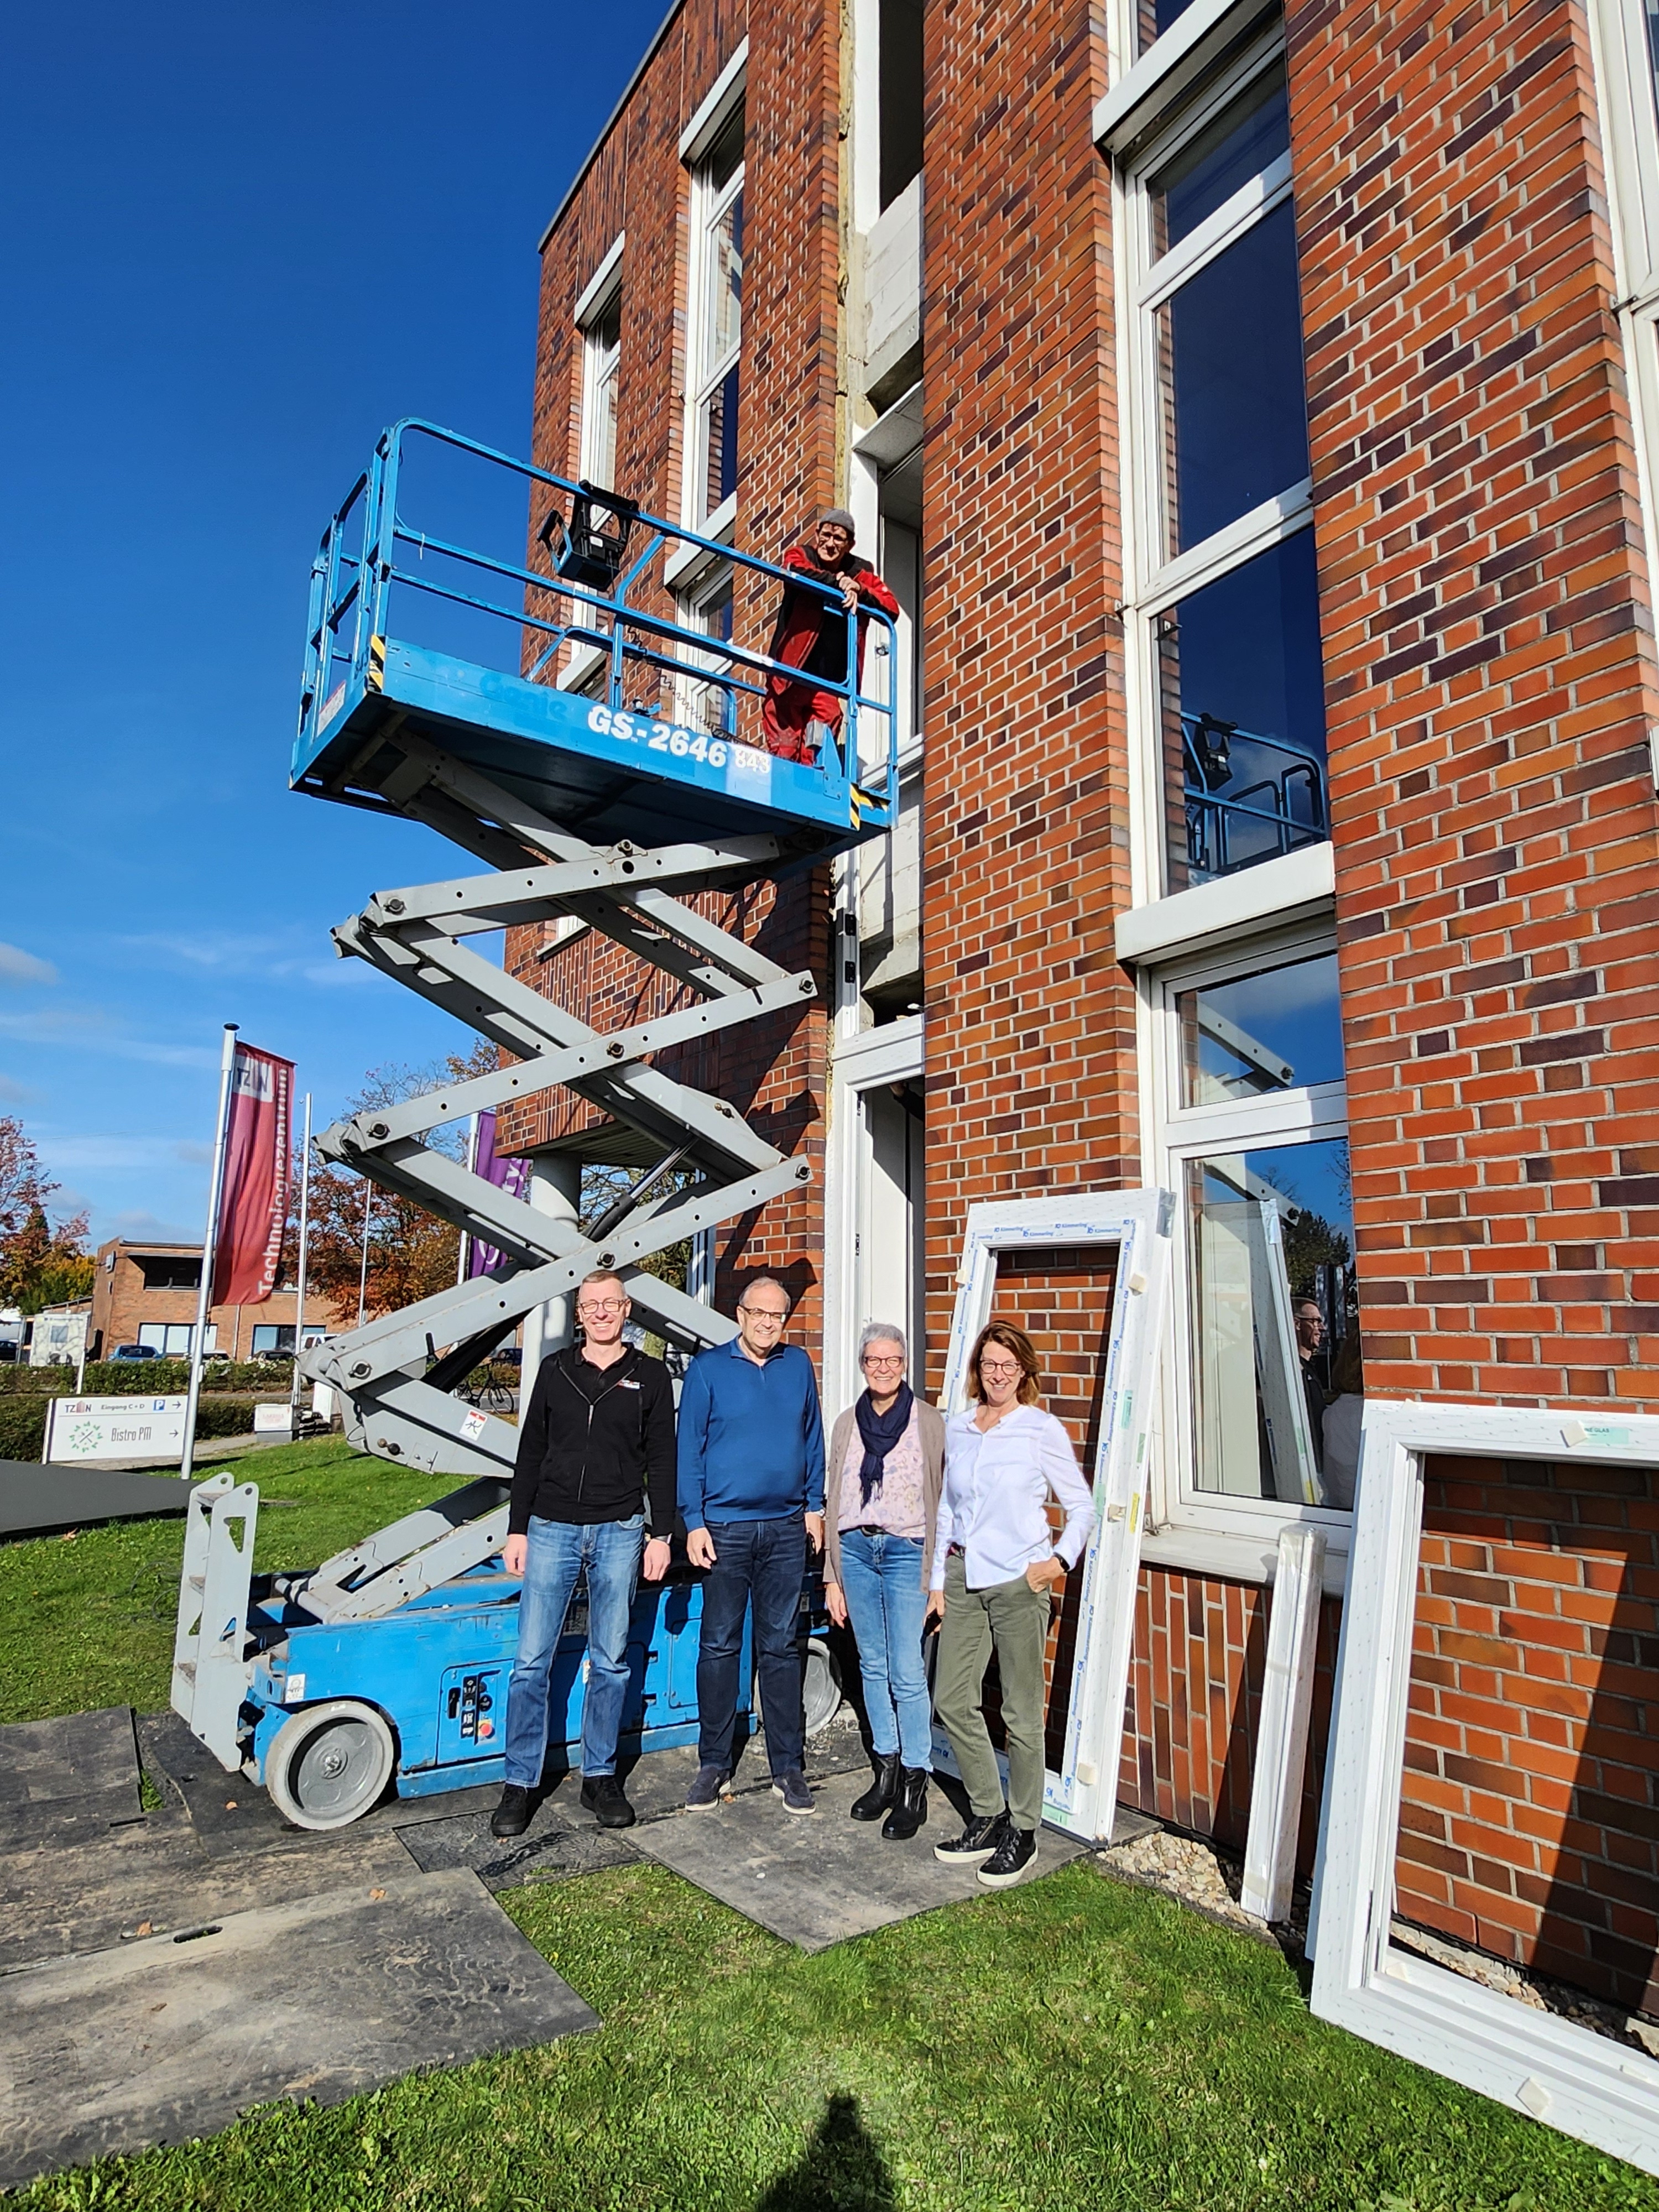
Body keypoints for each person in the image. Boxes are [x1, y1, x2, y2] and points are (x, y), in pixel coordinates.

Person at [491, 1271, 675, 1839]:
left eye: (611, 1304)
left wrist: (661, 1533)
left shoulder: (650, 1376)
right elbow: (531, 1451)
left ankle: (600, 1775)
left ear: (627, 1310)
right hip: (551, 1529)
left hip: (620, 1529)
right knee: (531, 1661)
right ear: (579, 1314)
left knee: (612, 1659)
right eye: (591, 1305)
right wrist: (517, 1528)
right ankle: (520, 1781)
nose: (601, 1313)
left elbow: (662, 1458)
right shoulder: (555, 1371)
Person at [928, 1321, 1092, 1890]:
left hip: (1019, 1582)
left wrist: (1057, 1563)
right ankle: (988, 1811)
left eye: (1009, 1366)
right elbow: (948, 1510)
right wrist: (936, 1582)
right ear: (978, 1369)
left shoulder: (1040, 1429)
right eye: (990, 1364)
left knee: (1021, 1714)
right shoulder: (960, 1429)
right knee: (951, 1698)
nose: (998, 1374)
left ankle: (1024, 1827)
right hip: (964, 1574)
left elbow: (1082, 1507)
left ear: (1024, 1372)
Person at [678, 1275, 826, 1815]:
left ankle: (788, 1765)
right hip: (725, 1530)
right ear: (740, 1315)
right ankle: (713, 1762)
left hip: (787, 1528)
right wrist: (694, 1521)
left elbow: (812, 1439)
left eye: (778, 1315)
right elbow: (689, 1450)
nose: (768, 1323)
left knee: (782, 1646)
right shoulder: (708, 1370)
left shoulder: (798, 1367)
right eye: (759, 1313)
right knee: (719, 1644)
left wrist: (815, 1507)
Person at [823, 1323, 946, 1840]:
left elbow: (947, 1502)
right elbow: (833, 1499)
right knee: (870, 1666)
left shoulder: (929, 1422)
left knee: (906, 1671)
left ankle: (916, 1782)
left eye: (892, 1361)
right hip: (855, 1551)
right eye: (873, 1361)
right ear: (862, 1365)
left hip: (905, 1553)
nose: (882, 1369)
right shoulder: (846, 1423)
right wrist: (831, 1576)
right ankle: (886, 1770)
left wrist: (938, 1578)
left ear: (905, 1365)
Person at [760, 509, 900, 765]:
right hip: (790, 675)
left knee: (821, 740)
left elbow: (891, 607)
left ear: (850, 545)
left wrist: (860, 590)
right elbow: (794, 571)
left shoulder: (861, 572)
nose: (830, 543)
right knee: (784, 747)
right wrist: (839, 583)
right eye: (826, 535)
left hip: (827, 682)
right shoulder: (802, 554)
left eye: (838, 538)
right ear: (817, 535)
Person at [1292, 1297, 1328, 1473]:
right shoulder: (1290, 1370)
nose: (1321, 1328)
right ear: (1297, 1324)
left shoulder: (1311, 1369)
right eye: (1315, 1321)